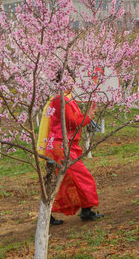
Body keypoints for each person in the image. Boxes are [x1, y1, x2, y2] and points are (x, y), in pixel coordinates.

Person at [43, 85, 104, 224]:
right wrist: (87, 117)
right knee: (79, 178)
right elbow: (72, 122)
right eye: (68, 79)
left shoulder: (65, 98)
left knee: (66, 181)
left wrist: (87, 115)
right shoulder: (60, 99)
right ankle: (48, 215)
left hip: (64, 145)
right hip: (60, 146)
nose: (72, 82)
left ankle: (85, 210)